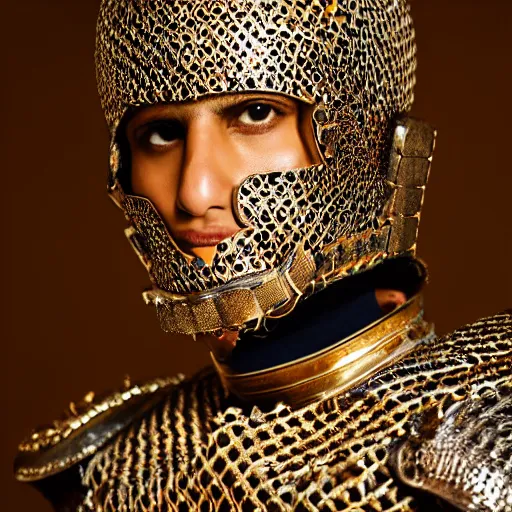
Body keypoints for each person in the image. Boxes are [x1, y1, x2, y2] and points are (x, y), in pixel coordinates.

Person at [14, 1, 511, 511]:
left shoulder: (486, 438)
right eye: (161, 133)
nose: (194, 191)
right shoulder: (110, 473)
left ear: (369, 137)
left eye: (255, 113)